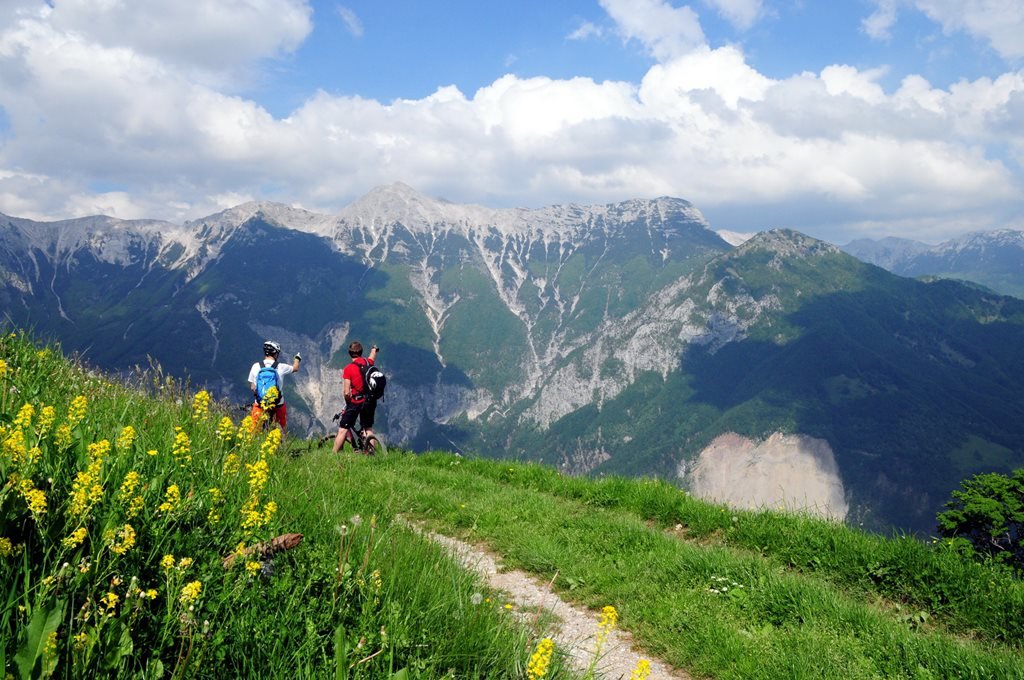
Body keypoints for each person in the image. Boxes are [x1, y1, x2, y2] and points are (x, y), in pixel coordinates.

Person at [332, 341, 379, 453]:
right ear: (361, 352)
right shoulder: (368, 362)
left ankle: (333, 455)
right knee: (368, 428)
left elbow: (347, 392)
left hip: (356, 401)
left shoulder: (349, 369)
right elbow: (372, 356)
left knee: (343, 429)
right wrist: (374, 349)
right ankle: (372, 454)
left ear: (349, 353)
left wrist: (348, 403)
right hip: (370, 400)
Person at [247, 340, 301, 432]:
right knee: (282, 427)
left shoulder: (255, 366)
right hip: (278, 403)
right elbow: (295, 368)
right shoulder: (281, 367)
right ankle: (284, 441)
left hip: (260, 403)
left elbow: (252, 387)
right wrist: (297, 359)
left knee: (253, 428)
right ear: (276, 353)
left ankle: (252, 442)